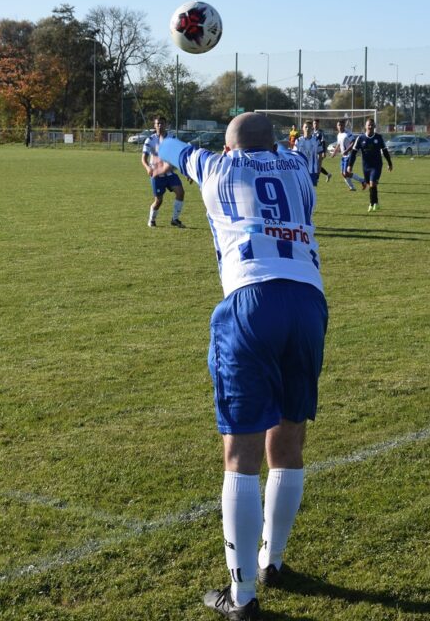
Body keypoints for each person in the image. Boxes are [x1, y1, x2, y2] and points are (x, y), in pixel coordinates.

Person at [153, 113, 327, 621]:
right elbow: (305, 151)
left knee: (241, 451)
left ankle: (243, 596)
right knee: (289, 439)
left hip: (251, 298)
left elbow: (177, 149)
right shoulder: (297, 164)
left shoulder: (215, 167)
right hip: (309, 300)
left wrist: (160, 134)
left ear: (229, 148)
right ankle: (272, 561)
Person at [141, 114, 186, 228]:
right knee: (159, 201)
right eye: (158, 123)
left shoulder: (172, 138)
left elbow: (180, 153)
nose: (160, 125)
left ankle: (175, 220)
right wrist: (147, 167)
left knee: (180, 193)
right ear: (155, 125)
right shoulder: (150, 140)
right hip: (157, 175)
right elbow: (143, 158)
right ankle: (151, 220)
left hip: (170, 173)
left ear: (166, 125)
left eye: (162, 123)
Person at [346, 117, 392, 211]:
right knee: (370, 184)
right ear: (365, 126)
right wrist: (350, 165)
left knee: (372, 183)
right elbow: (354, 153)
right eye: (368, 125)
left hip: (377, 165)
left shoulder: (378, 138)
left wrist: (389, 163)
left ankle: (371, 204)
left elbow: (385, 151)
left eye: (372, 125)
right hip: (366, 166)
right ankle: (376, 203)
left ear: (374, 126)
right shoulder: (360, 138)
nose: (370, 126)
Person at [334, 119, 365, 192]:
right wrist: (334, 152)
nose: (340, 126)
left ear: (344, 126)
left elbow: (353, 142)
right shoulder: (339, 135)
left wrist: (347, 150)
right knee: (343, 173)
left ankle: (362, 181)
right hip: (343, 156)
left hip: (349, 155)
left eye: (341, 125)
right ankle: (353, 187)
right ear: (337, 126)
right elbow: (338, 144)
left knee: (346, 173)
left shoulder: (348, 133)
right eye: (339, 125)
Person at [293, 119, 324, 187]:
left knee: (312, 190)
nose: (308, 129)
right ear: (302, 128)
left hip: (313, 170)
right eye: (306, 127)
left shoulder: (316, 140)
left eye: (309, 127)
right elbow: (294, 156)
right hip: (301, 170)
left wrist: (319, 168)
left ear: (312, 129)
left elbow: (320, 154)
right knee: (302, 189)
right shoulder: (298, 141)